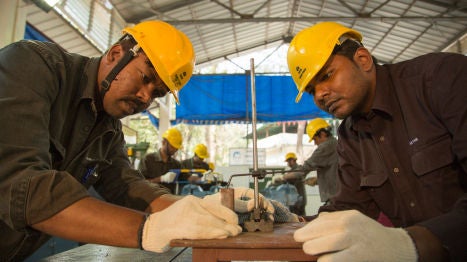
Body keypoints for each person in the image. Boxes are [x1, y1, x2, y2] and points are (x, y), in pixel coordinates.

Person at [0, 20, 249, 261]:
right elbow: (24, 189)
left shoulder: (109, 131)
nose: (144, 97)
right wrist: (149, 229)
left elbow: (127, 188)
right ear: (115, 53)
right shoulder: (33, 65)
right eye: (146, 78)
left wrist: (207, 208)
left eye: (157, 93)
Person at [287, 21, 467, 261]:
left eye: (327, 75)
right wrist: (288, 221)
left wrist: (411, 244)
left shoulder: (441, 79)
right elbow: (349, 209)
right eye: (311, 90)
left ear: (362, 59)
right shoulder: (350, 136)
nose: (320, 94)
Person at [301, 118, 339, 205]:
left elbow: (305, 168)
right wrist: (318, 180)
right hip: (339, 196)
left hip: (335, 199)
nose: (315, 143)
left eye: (315, 139)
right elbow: (335, 173)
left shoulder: (326, 146)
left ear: (322, 134)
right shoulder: (335, 143)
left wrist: (283, 177)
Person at [138, 127, 183, 194]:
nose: (175, 150)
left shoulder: (176, 164)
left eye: (177, 148)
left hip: (169, 199)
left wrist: (200, 178)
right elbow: (140, 183)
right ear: (163, 142)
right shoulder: (147, 160)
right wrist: (161, 179)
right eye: (172, 146)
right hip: (150, 199)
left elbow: (186, 177)